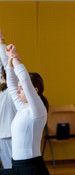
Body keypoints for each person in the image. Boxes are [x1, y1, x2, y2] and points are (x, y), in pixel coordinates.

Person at [0, 44, 50, 175]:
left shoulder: (38, 110)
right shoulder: (22, 108)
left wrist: (14, 57)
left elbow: (24, 79)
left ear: (34, 91)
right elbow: (11, 85)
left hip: (31, 168)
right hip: (17, 166)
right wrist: (9, 62)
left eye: (21, 88)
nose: (17, 90)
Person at [0, 30, 16, 169]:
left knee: (11, 169)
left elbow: (5, 66)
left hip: (8, 136)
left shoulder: (11, 91)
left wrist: (1, 43)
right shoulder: (4, 92)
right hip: (4, 136)